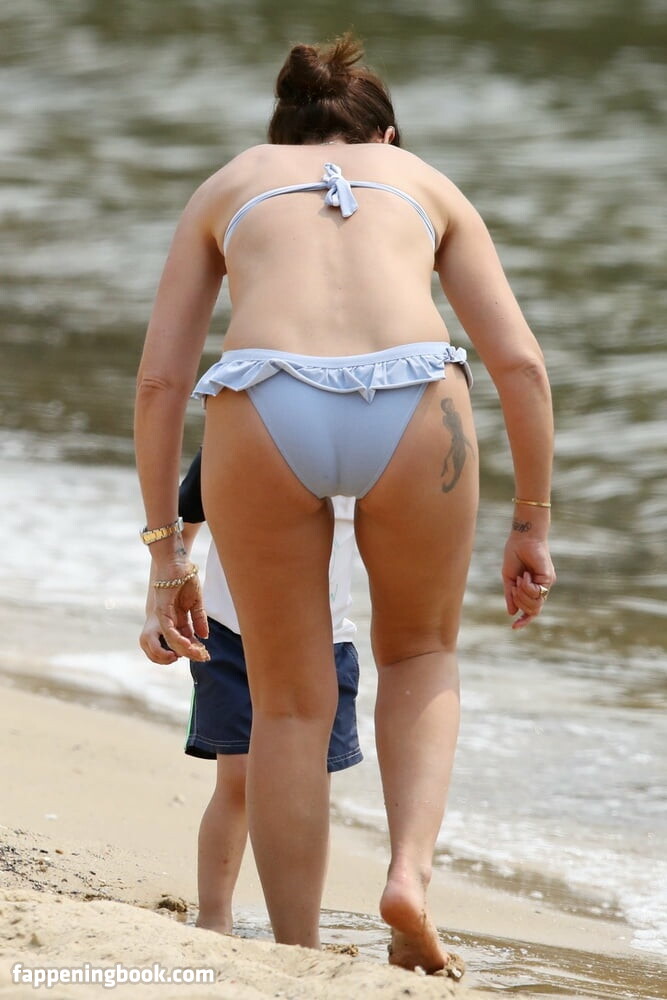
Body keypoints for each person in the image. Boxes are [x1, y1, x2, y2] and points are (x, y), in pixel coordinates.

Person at [134, 32, 555, 975]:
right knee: (420, 653)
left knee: (288, 702)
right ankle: (406, 878)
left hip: (264, 401)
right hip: (416, 405)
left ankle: (297, 952)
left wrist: (165, 550)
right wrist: (530, 523)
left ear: (280, 133)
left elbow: (160, 382)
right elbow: (521, 365)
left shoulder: (232, 182)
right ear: (386, 138)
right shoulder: (424, 182)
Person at [139, 452, 363, 935]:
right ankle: (214, 914)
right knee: (238, 780)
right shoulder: (239, 436)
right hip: (228, 634)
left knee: (309, 787)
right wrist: (156, 610)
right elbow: (178, 530)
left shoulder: (366, 451)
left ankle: (300, 926)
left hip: (326, 641)